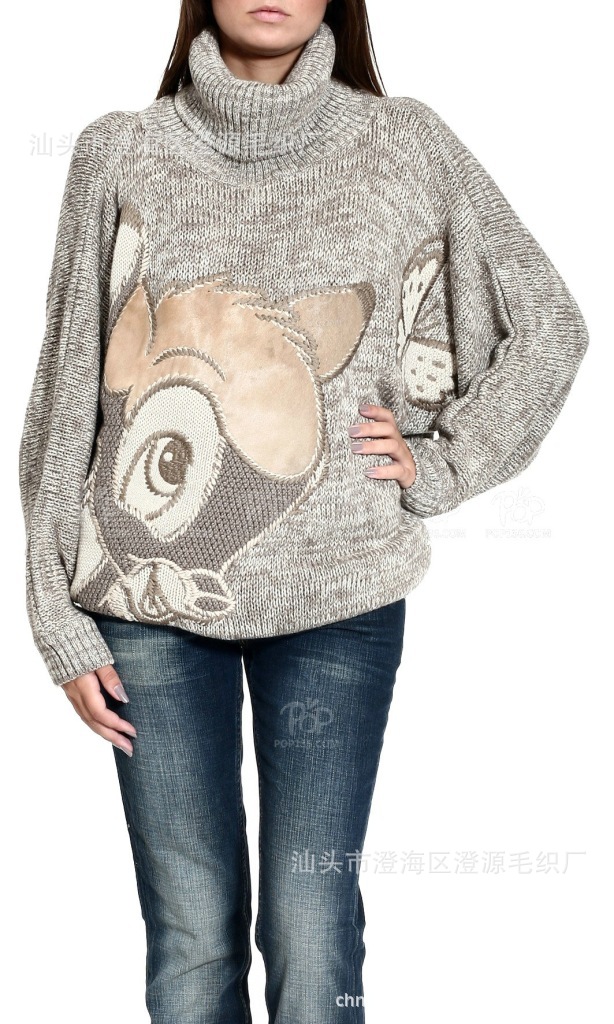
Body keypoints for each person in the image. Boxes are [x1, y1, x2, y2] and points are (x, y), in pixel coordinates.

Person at [18, 0, 589, 1021]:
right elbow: (65, 394)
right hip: (144, 607)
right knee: (191, 934)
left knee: (310, 921)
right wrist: (55, 615)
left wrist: (442, 465)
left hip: (342, 597)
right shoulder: (120, 152)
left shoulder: (402, 141)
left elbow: (549, 324)